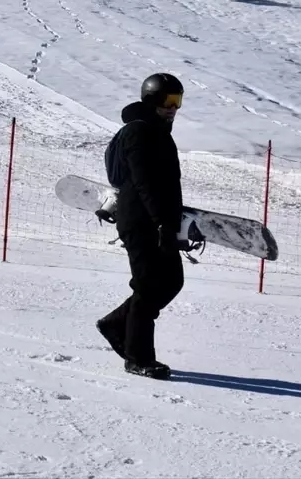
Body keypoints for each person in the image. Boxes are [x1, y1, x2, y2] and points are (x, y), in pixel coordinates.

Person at [96, 73, 190, 380]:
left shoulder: (159, 131)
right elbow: (144, 181)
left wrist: (173, 223)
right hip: (140, 221)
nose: (173, 108)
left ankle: (115, 323)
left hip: (159, 220)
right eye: (167, 101)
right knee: (148, 286)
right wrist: (161, 221)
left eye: (177, 101)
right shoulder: (139, 132)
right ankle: (138, 358)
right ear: (151, 100)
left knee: (171, 280)